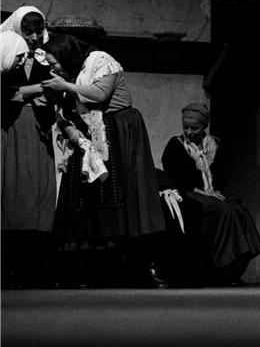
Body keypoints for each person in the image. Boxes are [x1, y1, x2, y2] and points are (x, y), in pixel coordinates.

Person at [40, 33, 168, 288]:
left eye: (55, 63)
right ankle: (88, 271)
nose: (54, 69)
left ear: (67, 55)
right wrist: (69, 129)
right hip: (87, 137)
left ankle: (142, 267)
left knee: (126, 196)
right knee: (87, 200)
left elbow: (99, 94)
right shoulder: (71, 74)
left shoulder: (101, 61)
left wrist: (65, 86)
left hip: (118, 131)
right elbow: (62, 111)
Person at [161, 103, 260, 286]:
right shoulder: (176, 145)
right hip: (188, 194)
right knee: (224, 210)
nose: (189, 132)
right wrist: (203, 192)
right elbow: (176, 178)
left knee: (238, 210)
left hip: (210, 194)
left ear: (204, 127)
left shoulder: (214, 146)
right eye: (186, 127)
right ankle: (224, 267)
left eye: (194, 128)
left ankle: (235, 265)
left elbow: (221, 177)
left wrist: (214, 192)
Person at [1, 6, 58, 289]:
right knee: (14, 192)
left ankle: (36, 267)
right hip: (11, 130)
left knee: (40, 193)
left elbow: (58, 87)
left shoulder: (47, 58)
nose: (34, 37)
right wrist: (32, 91)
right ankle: (11, 267)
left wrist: (36, 92)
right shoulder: (7, 53)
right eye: (28, 32)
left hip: (39, 130)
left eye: (38, 31)